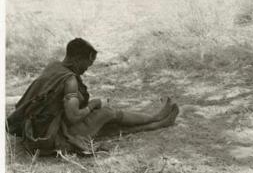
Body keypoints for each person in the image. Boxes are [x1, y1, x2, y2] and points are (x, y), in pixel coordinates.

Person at [7, 38, 179, 156]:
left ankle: (157, 121)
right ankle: (156, 119)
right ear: (77, 58)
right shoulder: (70, 81)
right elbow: (73, 117)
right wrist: (93, 105)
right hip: (52, 138)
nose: (87, 68)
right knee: (107, 114)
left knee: (105, 124)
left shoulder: (54, 67)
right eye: (87, 63)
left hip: (35, 132)